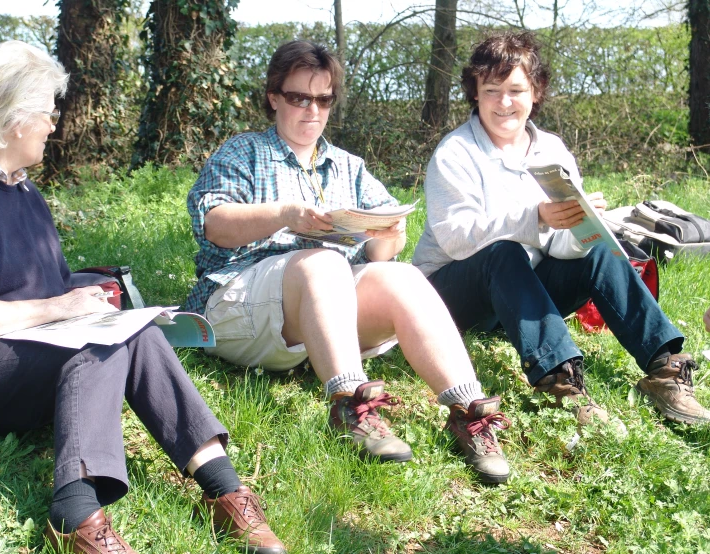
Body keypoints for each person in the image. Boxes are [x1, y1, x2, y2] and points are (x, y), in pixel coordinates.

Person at [0, 41, 286, 554]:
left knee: (130, 329)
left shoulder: (24, 191)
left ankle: (225, 490)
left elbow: (33, 283)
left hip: (33, 352)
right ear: (12, 117)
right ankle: (74, 513)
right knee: (101, 344)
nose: (55, 123)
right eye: (49, 111)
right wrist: (58, 310)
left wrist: (81, 296)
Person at [186, 40, 512, 484]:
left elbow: (379, 254)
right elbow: (214, 224)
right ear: (274, 97)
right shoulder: (243, 152)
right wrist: (286, 214)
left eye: (323, 99)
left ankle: (467, 411)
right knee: (321, 262)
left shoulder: (347, 167)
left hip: (322, 309)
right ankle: (350, 406)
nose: (312, 110)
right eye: (299, 97)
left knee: (402, 277)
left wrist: (387, 236)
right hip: (239, 305)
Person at [412, 31, 710, 426]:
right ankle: (561, 382)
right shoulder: (455, 152)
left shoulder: (551, 149)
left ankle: (664, 368)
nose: (504, 103)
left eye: (516, 90)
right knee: (505, 250)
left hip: (520, 294)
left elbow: (561, 248)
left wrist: (584, 225)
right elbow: (455, 237)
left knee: (603, 248)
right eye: (491, 90)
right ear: (475, 93)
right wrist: (534, 215)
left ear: (536, 92)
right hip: (450, 296)